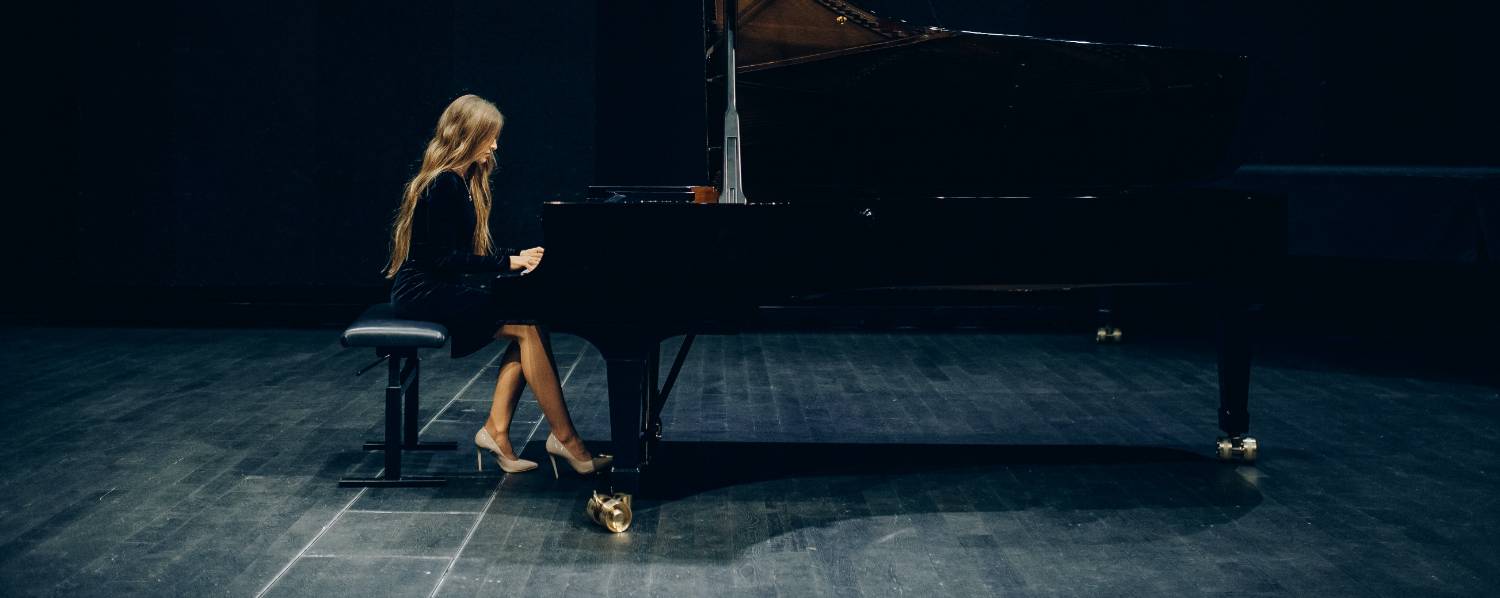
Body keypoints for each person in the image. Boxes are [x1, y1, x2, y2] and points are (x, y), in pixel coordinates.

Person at [384, 94, 610, 478]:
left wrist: (516, 254)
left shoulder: (459, 182)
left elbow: (462, 254)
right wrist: (510, 261)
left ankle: (498, 431)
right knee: (526, 324)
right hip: (422, 293)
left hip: (436, 287)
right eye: (490, 136)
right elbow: (442, 260)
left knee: (528, 323)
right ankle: (564, 440)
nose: (494, 145)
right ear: (470, 137)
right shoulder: (444, 185)